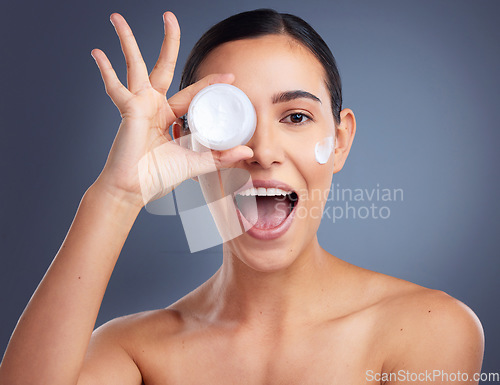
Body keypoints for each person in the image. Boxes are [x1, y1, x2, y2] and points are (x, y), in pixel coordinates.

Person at [0, 8, 484, 385]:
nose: (263, 152)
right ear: (185, 140)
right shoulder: (134, 351)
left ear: (339, 141)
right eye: (232, 121)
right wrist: (119, 194)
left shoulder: (428, 327)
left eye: (295, 116)